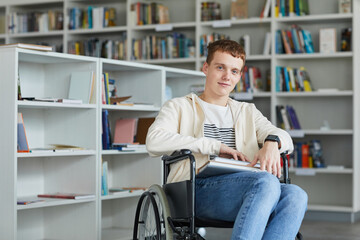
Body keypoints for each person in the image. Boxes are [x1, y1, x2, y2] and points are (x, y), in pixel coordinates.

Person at [146, 39, 307, 240]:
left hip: (246, 187)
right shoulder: (179, 106)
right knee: (266, 182)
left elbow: (284, 137)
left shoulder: (246, 111)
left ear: (239, 75)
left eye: (234, 71)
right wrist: (214, 146)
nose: (226, 77)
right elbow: (154, 140)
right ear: (206, 68)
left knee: (296, 195)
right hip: (194, 189)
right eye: (220, 67)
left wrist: (272, 143)